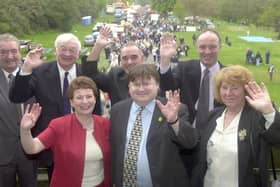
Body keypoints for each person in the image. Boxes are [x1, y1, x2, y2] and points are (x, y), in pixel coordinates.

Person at [9, 33, 101, 180]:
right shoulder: (40, 72)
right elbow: (17, 97)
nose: (67, 53)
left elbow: (96, 107)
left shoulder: (87, 73)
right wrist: (26, 68)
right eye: (63, 48)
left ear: (78, 53)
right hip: (52, 147)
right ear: (55, 50)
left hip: (86, 142)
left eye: (72, 50)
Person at [110, 63, 198, 187]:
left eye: (146, 84)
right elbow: (115, 149)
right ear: (129, 87)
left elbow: (190, 143)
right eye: (136, 84)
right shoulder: (117, 110)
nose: (141, 89)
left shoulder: (173, 109)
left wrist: (174, 121)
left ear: (157, 85)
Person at [191, 65, 280, 187]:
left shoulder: (257, 117)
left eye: (234, 88)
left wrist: (269, 112)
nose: (228, 93)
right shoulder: (213, 116)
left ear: (245, 90)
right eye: (224, 88)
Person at [20, 76, 110, 187]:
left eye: (89, 96)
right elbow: (32, 148)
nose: (85, 101)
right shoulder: (59, 125)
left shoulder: (105, 124)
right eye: (79, 97)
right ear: (71, 102)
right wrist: (25, 130)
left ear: (95, 99)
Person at [82, 26, 174, 106]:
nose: (129, 62)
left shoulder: (154, 75)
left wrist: (165, 59)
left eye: (134, 57)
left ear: (142, 58)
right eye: (125, 58)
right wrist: (98, 46)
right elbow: (90, 75)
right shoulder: (115, 76)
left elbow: (168, 84)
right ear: (120, 61)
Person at [159, 29, 224, 129]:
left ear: (220, 47)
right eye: (202, 47)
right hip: (188, 129)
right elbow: (168, 86)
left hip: (217, 131)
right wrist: (165, 59)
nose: (207, 51)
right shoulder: (185, 68)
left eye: (212, 47)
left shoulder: (227, 74)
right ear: (197, 48)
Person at [0, 33, 36, 187]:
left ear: (20, 52)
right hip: (2, 154)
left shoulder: (35, 75)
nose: (9, 56)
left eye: (13, 51)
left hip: (30, 152)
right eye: (3, 52)